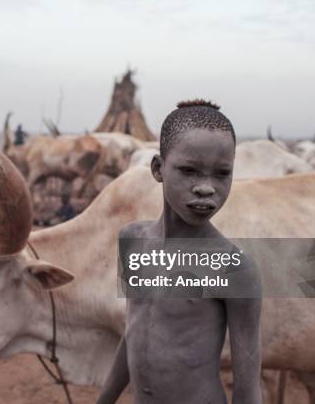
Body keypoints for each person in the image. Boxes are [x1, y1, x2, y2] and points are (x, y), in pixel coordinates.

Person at [97, 99, 262, 403]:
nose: (206, 188)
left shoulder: (233, 268)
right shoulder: (133, 240)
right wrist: (104, 399)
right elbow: (135, 330)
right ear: (158, 169)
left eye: (222, 173)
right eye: (189, 170)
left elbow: (248, 386)